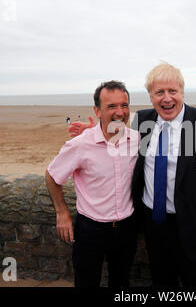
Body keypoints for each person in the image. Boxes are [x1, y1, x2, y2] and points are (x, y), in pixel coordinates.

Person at [72, 63, 196, 286]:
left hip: (194, 224)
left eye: (172, 91)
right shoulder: (143, 120)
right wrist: (91, 131)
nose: (166, 98)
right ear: (151, 96)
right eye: (159, 92)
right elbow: (116, 136)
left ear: (182, 92)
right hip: (154, 223)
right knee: (162, 281)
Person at [45, 80, 140, 287]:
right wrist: (61, 212)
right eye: (111, 106)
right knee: (86, 282)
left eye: (124, 105)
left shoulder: (136, 139)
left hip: (126, 228)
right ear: (97, 110)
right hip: (90, 230)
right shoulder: (80, 144)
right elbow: (52, 175)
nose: (119, 111)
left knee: (121, 282)